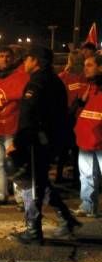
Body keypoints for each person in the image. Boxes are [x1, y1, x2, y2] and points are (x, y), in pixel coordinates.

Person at [8, 46, 81, 244]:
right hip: (50, 140)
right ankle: (67, 219)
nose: (24, 63)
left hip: (35, 142)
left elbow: (29, 117)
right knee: (41, 182)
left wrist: (17, 142)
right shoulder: (55, 80)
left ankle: (33, 231)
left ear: (35, 61)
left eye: (27, 59)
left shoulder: (37, 82)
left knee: (31, 185)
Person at [0, 46, 29, 207]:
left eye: (8, 56)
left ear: (13, 58)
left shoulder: (22, 77)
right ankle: (1, 195)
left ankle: (20, 197)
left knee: (14, 164)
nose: (5, 59)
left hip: (12, 128)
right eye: (1, 55)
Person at [73, 54, 102, 218]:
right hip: (86, 138)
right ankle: (88, 205)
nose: (85, 68)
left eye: (90, 65)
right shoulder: (90, 86)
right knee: (86, 175)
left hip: (99, 139)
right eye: (85, 65)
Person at [57, 51, 87, 184]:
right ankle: (75, 177)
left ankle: (61, 175)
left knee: (66, 148)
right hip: (76, 118)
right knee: (75, 149)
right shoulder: (84, 77)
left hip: (68, 118)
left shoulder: (64, 76)